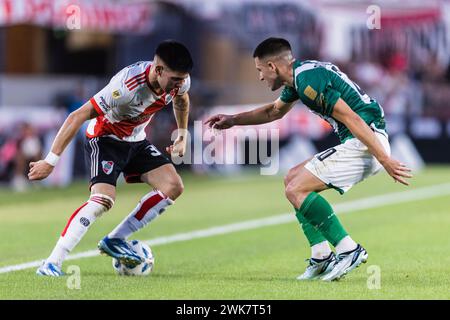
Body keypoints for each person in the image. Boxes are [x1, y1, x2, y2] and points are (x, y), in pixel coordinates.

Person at [205, 37, 412, 281]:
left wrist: (385, 159)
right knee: (291, 179)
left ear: (273, 66)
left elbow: (353, 119)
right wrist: (233, 120)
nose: (260, 77)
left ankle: (349, 249)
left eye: (260, 70)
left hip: (366, 142)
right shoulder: (301, 77)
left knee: (296, 189)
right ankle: (322, 256)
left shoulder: (307, 81)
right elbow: (273, 112)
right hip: (363, 140)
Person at [28, 40, 193, 276]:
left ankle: (116, 239)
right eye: (175, 79)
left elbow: (181, 100)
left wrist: (182, 135)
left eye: (183, 79)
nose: (180, 84)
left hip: (136, 141)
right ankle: (52, 263)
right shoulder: (126, 87)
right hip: (105, 139)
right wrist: (50, 161)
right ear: (158, 71)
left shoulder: (180, 83)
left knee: (173, 186)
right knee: (102, 201)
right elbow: (77, 116)